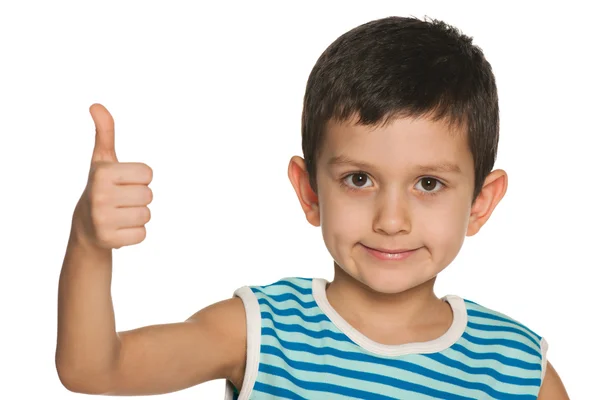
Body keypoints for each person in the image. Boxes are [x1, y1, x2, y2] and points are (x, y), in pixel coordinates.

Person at [55, 16, 569, 399]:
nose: (392, 221)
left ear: (481, 202)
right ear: (309, 190)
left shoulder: (520, 369)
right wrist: (88, 241)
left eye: (428, 183)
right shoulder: (260, 332)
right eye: (360, 179)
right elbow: (95, 368)